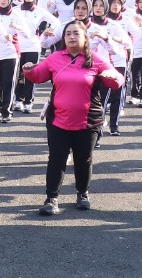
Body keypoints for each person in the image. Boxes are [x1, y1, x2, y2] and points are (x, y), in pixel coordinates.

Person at [24, 20, 124, 215]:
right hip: (58, 119)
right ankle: (51, 198)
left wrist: (114, 78)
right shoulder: (54, 58)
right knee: (57, 158)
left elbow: (116, 78)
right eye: (68, 33)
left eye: (76, 33)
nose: (71, 36)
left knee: (84, 159)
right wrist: (28, 70)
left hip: (88, 120)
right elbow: (38, 76)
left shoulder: (96, 59)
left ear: (85, 37)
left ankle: (82, 193)